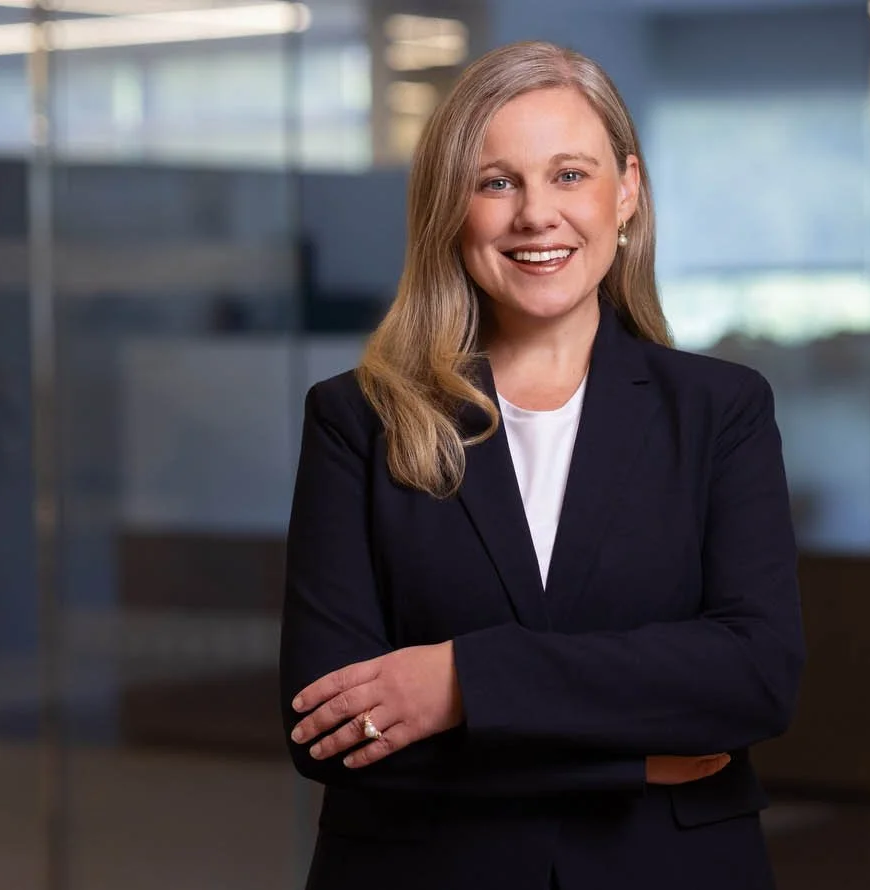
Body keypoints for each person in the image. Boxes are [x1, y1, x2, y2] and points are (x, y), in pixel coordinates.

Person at [280, 40, 805, 890]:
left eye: (569, 175)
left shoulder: (721, 411)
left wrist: (460, 681)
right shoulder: (358, 419)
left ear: (625, 190)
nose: (536, 215)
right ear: (450, 206)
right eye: (496, 182)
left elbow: (753, 679)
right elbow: (329, 730)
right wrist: (631, 763)